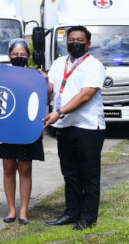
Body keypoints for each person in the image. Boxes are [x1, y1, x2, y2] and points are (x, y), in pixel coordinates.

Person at [42, 25, 106, 231]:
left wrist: (58, 113)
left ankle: (88, 217)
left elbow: (85, 95)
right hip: (65, 126)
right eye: (71, 39)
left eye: (79, 40)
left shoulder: (94, 66)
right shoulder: (60, 63)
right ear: (66, 41)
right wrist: (41, 81)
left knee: (88, 174)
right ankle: (71, 212)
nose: (75, 43)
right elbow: (51, 89)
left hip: (87, 127)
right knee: (69, 172)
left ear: (88, 44)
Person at [0, 38, 44, 225]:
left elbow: (44, 98)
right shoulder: (1, 75)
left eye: (22, 54)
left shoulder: (36, 76)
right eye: (15, 54)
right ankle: (11, 210)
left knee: (25, 169)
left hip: (27, 129)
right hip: (6, 128)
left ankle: (23, 211)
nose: (18, 57)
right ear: (9, 56)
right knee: (8, 169)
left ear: (28, 56)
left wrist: (45, 79)